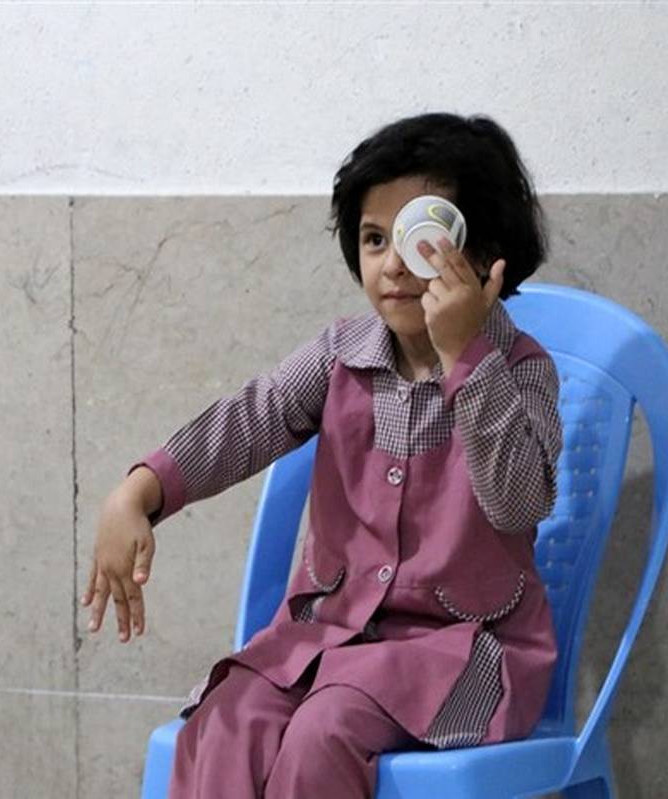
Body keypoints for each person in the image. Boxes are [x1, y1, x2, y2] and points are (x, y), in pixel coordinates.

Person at [80, 112, 564, 798]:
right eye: (373, 238)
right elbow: (249, 419)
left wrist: (465, 356)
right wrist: (138, 492)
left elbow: (518, 502)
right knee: (225, 722)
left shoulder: (519, 370)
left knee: (323, 731)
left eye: (419, 239)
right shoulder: (341, 355)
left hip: (461, 653)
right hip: (329, 638)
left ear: (482, 251)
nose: (392, 263)